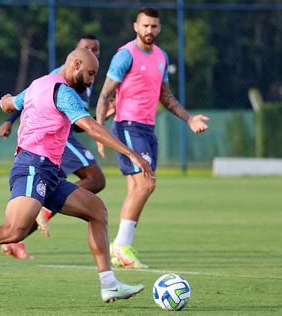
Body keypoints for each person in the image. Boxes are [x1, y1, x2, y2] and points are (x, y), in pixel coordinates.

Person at [0, 48, 153, 303]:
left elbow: (11, 103)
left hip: (49, 172)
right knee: (14, 231)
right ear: (75, 64)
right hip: (32, 166)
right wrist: (132, 154)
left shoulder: (38, 84)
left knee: (97, 211)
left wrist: (6, 102)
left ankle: (109, 284)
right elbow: (91, 128)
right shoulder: (64, 93)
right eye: (90, 73)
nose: (91, 81)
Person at [95, 7, 209, 269]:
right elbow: (104, 95)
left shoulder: (160, 57)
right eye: (145, 26)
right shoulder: (125, 55)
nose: (149, 30)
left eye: (154, 26)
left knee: (137, 188)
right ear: (136, 26)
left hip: (148, 129)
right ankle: (121, 246)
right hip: (128, 126)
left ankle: (119, 251)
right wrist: (99, 132)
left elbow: (165, 97)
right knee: (147, 184)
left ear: (159, 28)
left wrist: (189, 118)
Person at [0, 35, 111, 259]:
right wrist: (9, 121)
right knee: (95, 179)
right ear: (76, 55)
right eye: (87, 48)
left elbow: (78, 120)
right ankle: (44, 211)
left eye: (95, 49)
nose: (92, 52)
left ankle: (22, 232)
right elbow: (30, 97)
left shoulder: (87, 79)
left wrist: (99, 117)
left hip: (63, 135)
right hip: (54, 138)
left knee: (94, 185)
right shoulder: (59, 77)